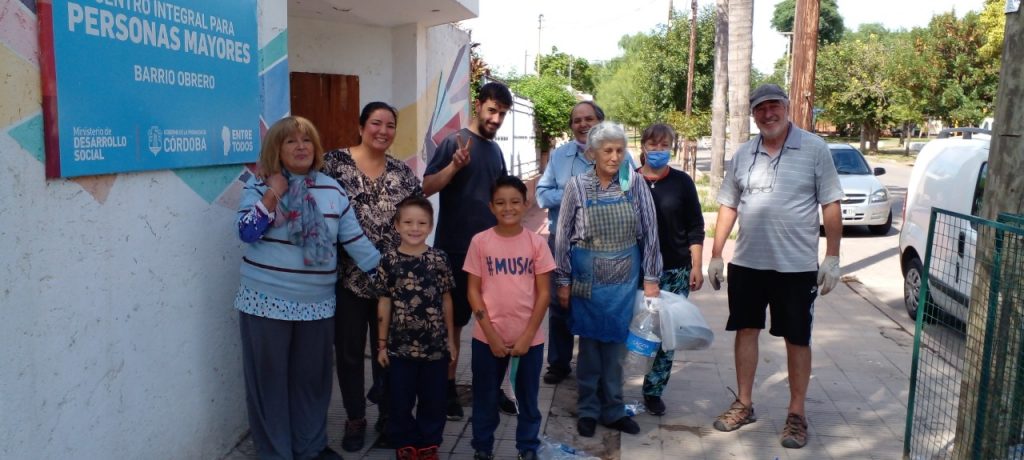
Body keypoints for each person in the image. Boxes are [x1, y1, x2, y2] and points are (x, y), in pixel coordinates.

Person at [234, 116, 380, 460]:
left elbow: (355, 240)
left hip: (316, 304)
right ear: (276, 149)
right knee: (269, 384)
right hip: (265, 303)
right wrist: (274, 192)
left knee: (312, 384)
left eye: (307, 141)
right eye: (290, 141)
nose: (300, 147)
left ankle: (310, 448)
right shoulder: (258, 185)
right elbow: (246, 232)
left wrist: (391, 276)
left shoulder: (331, 189)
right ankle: (275, 452)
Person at [707, 83, 842, 449]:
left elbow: (830, 204)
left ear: (786, 107)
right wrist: (717, 254)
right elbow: (728, 205)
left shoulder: (814, 149)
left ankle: (796, 414)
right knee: (745, 330)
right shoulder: (743, 154)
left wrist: (832, 256)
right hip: (748, 264)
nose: (768, 114)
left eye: (773, 107)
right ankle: (744, 403)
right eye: (760, 109)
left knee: (797, 338)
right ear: (753, 115)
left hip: (795, 268)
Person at [321, 101, 423, 452]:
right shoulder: (334, 163)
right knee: (348, 353)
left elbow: (418, 214)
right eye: (376, 123)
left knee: (388, 351)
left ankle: (388, 414)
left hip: (392, 285)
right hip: (348, 280)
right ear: (362, 126)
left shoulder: (402, 172)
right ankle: (354, 417)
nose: (383, 131)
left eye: (390, 125)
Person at [553, 121, 662, 438]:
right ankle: (588, 409)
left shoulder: (634, 184)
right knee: (588, 350)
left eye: (619, 150)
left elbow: (650, 232)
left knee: (615, 352)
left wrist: (652, 277)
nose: (615, 157)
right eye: (608, 150)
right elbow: (562, 237)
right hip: (586, 280)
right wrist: (562, 279)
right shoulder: (577, 186)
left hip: (623, 280)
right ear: (593, 153)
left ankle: (613, 410)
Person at [423, 82, 517, 420]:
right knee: (454, 325)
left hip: (492, 255)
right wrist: (454, 167)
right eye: (492, 110)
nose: (496, 119)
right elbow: (426, 186)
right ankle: (447, 390)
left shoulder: (495, 151)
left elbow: (503, 199)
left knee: (496, 322)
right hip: (455, 251)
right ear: (478, 105)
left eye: (502, 114)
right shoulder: (455, 141)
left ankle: (490, 389)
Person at [464, 176, 556, 460]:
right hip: (486, 339)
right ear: (491, 207)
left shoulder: (536, 244)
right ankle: (482, 447)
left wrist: (528, 335)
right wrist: (490, 333)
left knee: (527, 399)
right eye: (501, 203)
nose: (508, 208)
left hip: (529, 339)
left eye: (515, 202)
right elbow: (473, 291)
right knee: (485, 397)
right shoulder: (480, 242)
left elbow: (543, 294)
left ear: (526, 204)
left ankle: (527, 448)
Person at [375, 196, 456, 460]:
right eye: (408, 222)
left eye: (422, 222)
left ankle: (429, 443)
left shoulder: (438, 259)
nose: (415, 227)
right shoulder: (389, 261)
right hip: (400, 349)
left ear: (430, 226)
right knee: (400, 399)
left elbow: (446, 299)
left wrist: (451, 341)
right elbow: (384, 303)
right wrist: (382, 344)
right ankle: (405, 443)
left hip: (435, 348)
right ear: (397, 226)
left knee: (434, 400)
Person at [635, 123, 706, 416]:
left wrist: (697, 265)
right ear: (643, 147)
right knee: (634, 331)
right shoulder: (629, 180)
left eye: (664, 146)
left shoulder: (682, 182)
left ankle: (653, 390)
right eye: (653, 145)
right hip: (635, 270)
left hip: (675, 269)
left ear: (671, 149)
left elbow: (695, 226)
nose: (658, 151)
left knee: (667, 334)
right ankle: (614, 387)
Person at [534, 101, 604, 385]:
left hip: (602, 245)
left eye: (589, 119)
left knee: (594, 304)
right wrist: (573, 192)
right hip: (561, 242)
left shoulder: (617, 155)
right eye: (577, 120)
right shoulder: (560, 156)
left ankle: (592, 365)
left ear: (600, 121)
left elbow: (629, 192)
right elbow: (541, 195)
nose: (583, 124)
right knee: (558, 304)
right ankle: (559, 364)